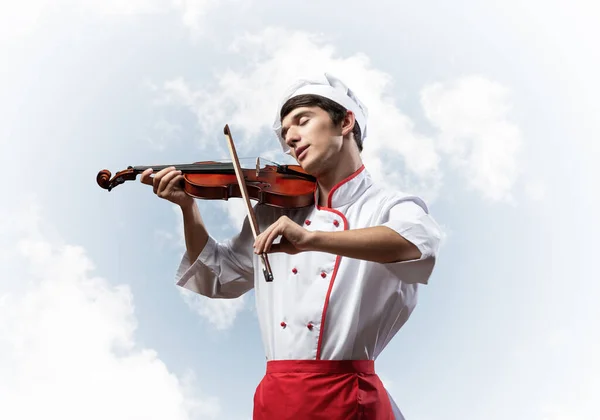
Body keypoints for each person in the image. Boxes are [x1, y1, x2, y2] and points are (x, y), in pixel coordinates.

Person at [140, 73, 442, 419]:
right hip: (276, 397)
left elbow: (414, 244)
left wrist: (313, 240)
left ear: (345, 121)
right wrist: (188, 207)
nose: (291, 137)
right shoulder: (274, 210)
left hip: (348, 398)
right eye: (285, 132)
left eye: (302, 120)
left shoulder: (388, 205)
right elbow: (217, 276)